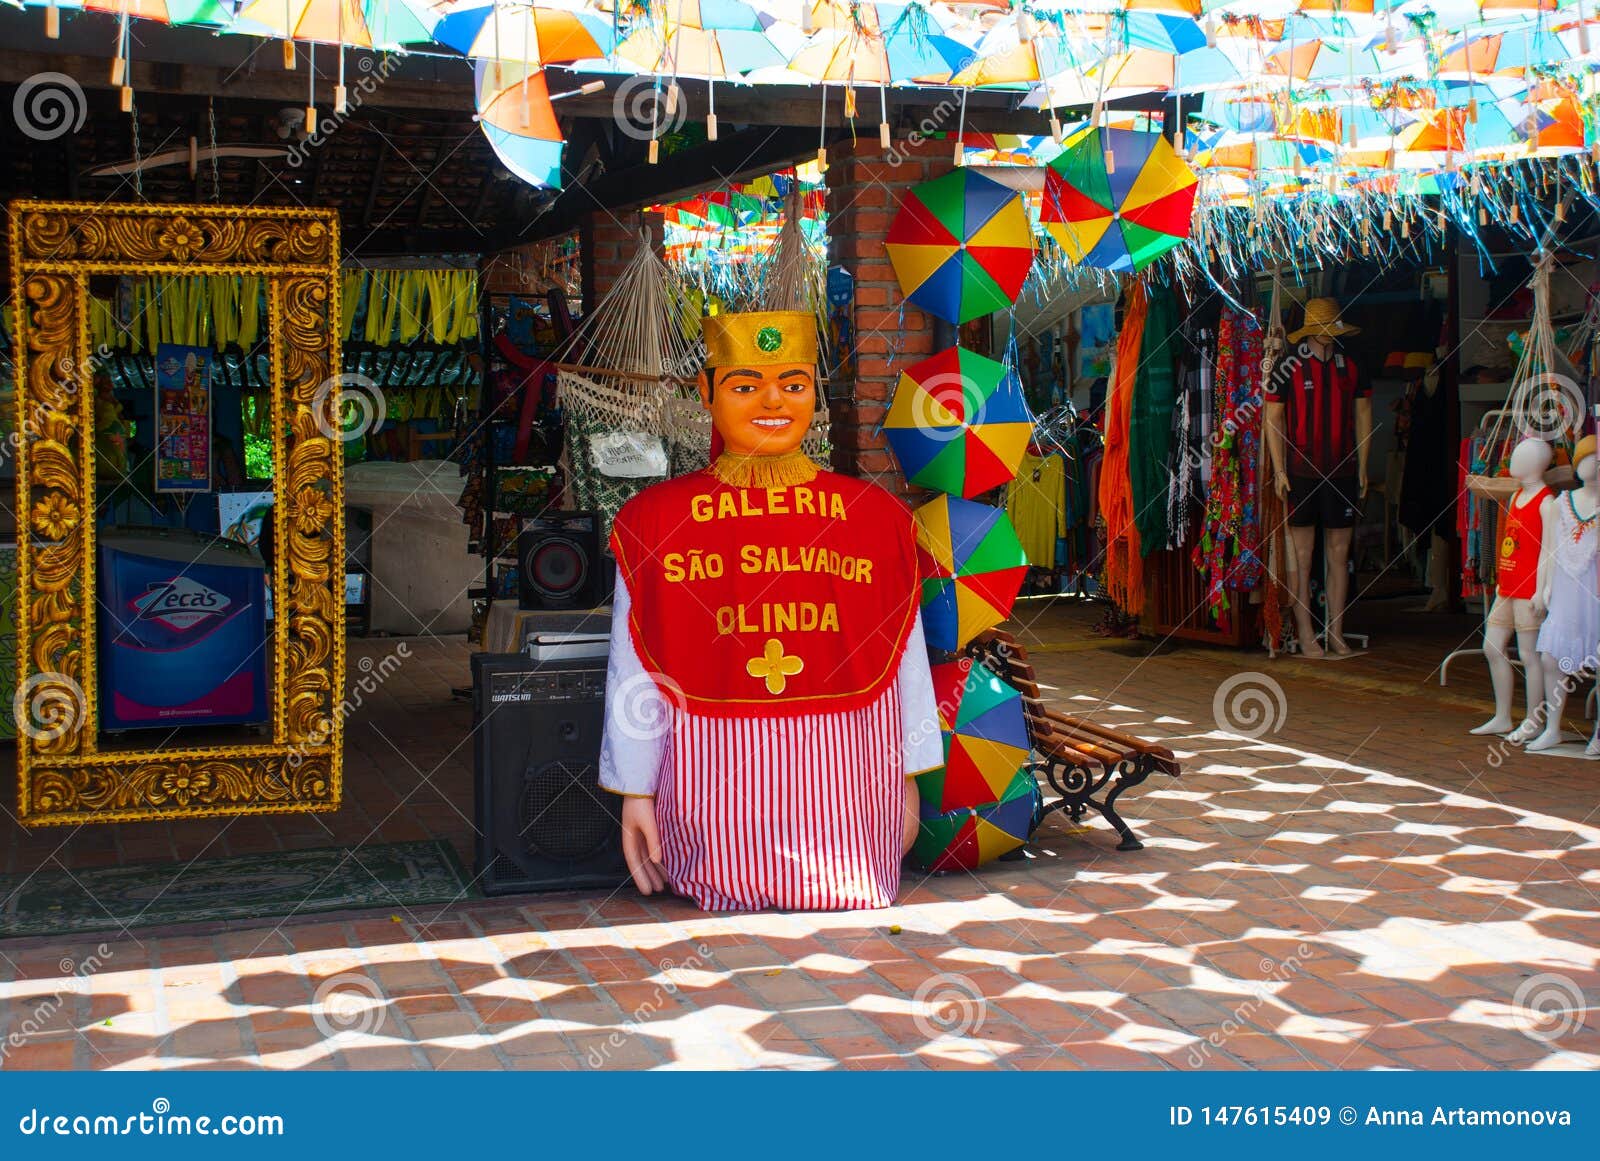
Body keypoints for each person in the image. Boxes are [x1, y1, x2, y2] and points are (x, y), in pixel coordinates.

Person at [598, 310, 942, 911]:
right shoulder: (655, 521)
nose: (772, 401)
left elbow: (903, 666)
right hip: (709, 796)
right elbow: (634, 672)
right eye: (745, 384)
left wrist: (910, 781)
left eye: (793, 383)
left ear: (816, 390)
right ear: (705, 392)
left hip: (851, 810)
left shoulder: (875, 518)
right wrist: (636, 790)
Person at [1265, 297, 1373, 657]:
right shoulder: (1289, 365)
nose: (1328, 335)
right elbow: (1273, 418)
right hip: (1300, 472)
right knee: (1303, 555)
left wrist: (1363, 466)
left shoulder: (1351, 364)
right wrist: (1279, 470)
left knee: (1340, 553)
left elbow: (1363, 416)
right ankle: (1307, 632)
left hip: (1342, 469)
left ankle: (1337, 631)